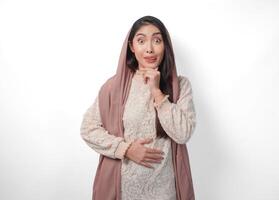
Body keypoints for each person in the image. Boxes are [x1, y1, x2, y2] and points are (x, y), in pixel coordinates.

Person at [80, 15, 196, 200]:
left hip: (165, 193)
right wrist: (126, 149)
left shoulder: (180, 86)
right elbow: (88, 129)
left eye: (157, 40)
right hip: (123, 191)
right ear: (132, 47)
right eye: (141, 41)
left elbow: (183, 133)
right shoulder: (113, 88)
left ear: (165, 46)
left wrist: (157, 92)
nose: (149, 48)